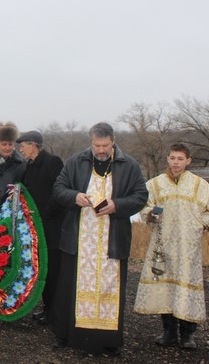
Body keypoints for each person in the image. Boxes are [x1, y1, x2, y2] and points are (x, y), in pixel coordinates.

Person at [52, 122, 147, 355]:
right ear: (90, 142)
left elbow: (141, 195)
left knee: (110, 290)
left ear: (113, 141)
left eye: (105, 145)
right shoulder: (76, 161)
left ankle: (109, 342)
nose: (101, 150)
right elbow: (58, 188)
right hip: (79, 240)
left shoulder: (129, 165)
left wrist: (117, 205)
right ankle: (67, 336)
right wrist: (75, 197)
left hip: (111, 241)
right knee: (70, 289)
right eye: (97, 145)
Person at [134, 143, 209, 349]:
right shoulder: (155, 184)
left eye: (180, 159)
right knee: (165, 287)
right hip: (163, 243)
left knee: (186, 287)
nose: (176, 162)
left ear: (188, 161)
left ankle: (187, 335)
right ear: (167, 158)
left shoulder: (199, 185)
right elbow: (144, 207)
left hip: (188, 246)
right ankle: (169, 332)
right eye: (173, 158)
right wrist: (150, 214)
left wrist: (200, 224)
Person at [16, 130, 64, 323]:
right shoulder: (30, 165)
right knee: (42, 267)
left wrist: (45, 214)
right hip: (35, 226)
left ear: (33, 144)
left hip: (52, 226)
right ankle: (47, 307)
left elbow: (59, 192)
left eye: (23, 145)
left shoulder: (53, 162)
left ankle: (54, 311)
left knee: (53, 270)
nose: (21, 149)